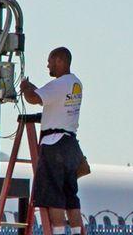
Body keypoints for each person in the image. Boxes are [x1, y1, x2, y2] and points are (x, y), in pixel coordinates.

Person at [20, 47, 84, 235]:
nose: (48, 65)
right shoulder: (75, 83)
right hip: (70, 143)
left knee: (54, 197)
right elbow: (50, 100)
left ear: (60, 60)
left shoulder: (59, 84)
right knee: (71, 196)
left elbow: (34, 98)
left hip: (54, 144)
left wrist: (25, 88)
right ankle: (75, 232)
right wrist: (34, 89)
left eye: (50, 61)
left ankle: (56, 233)